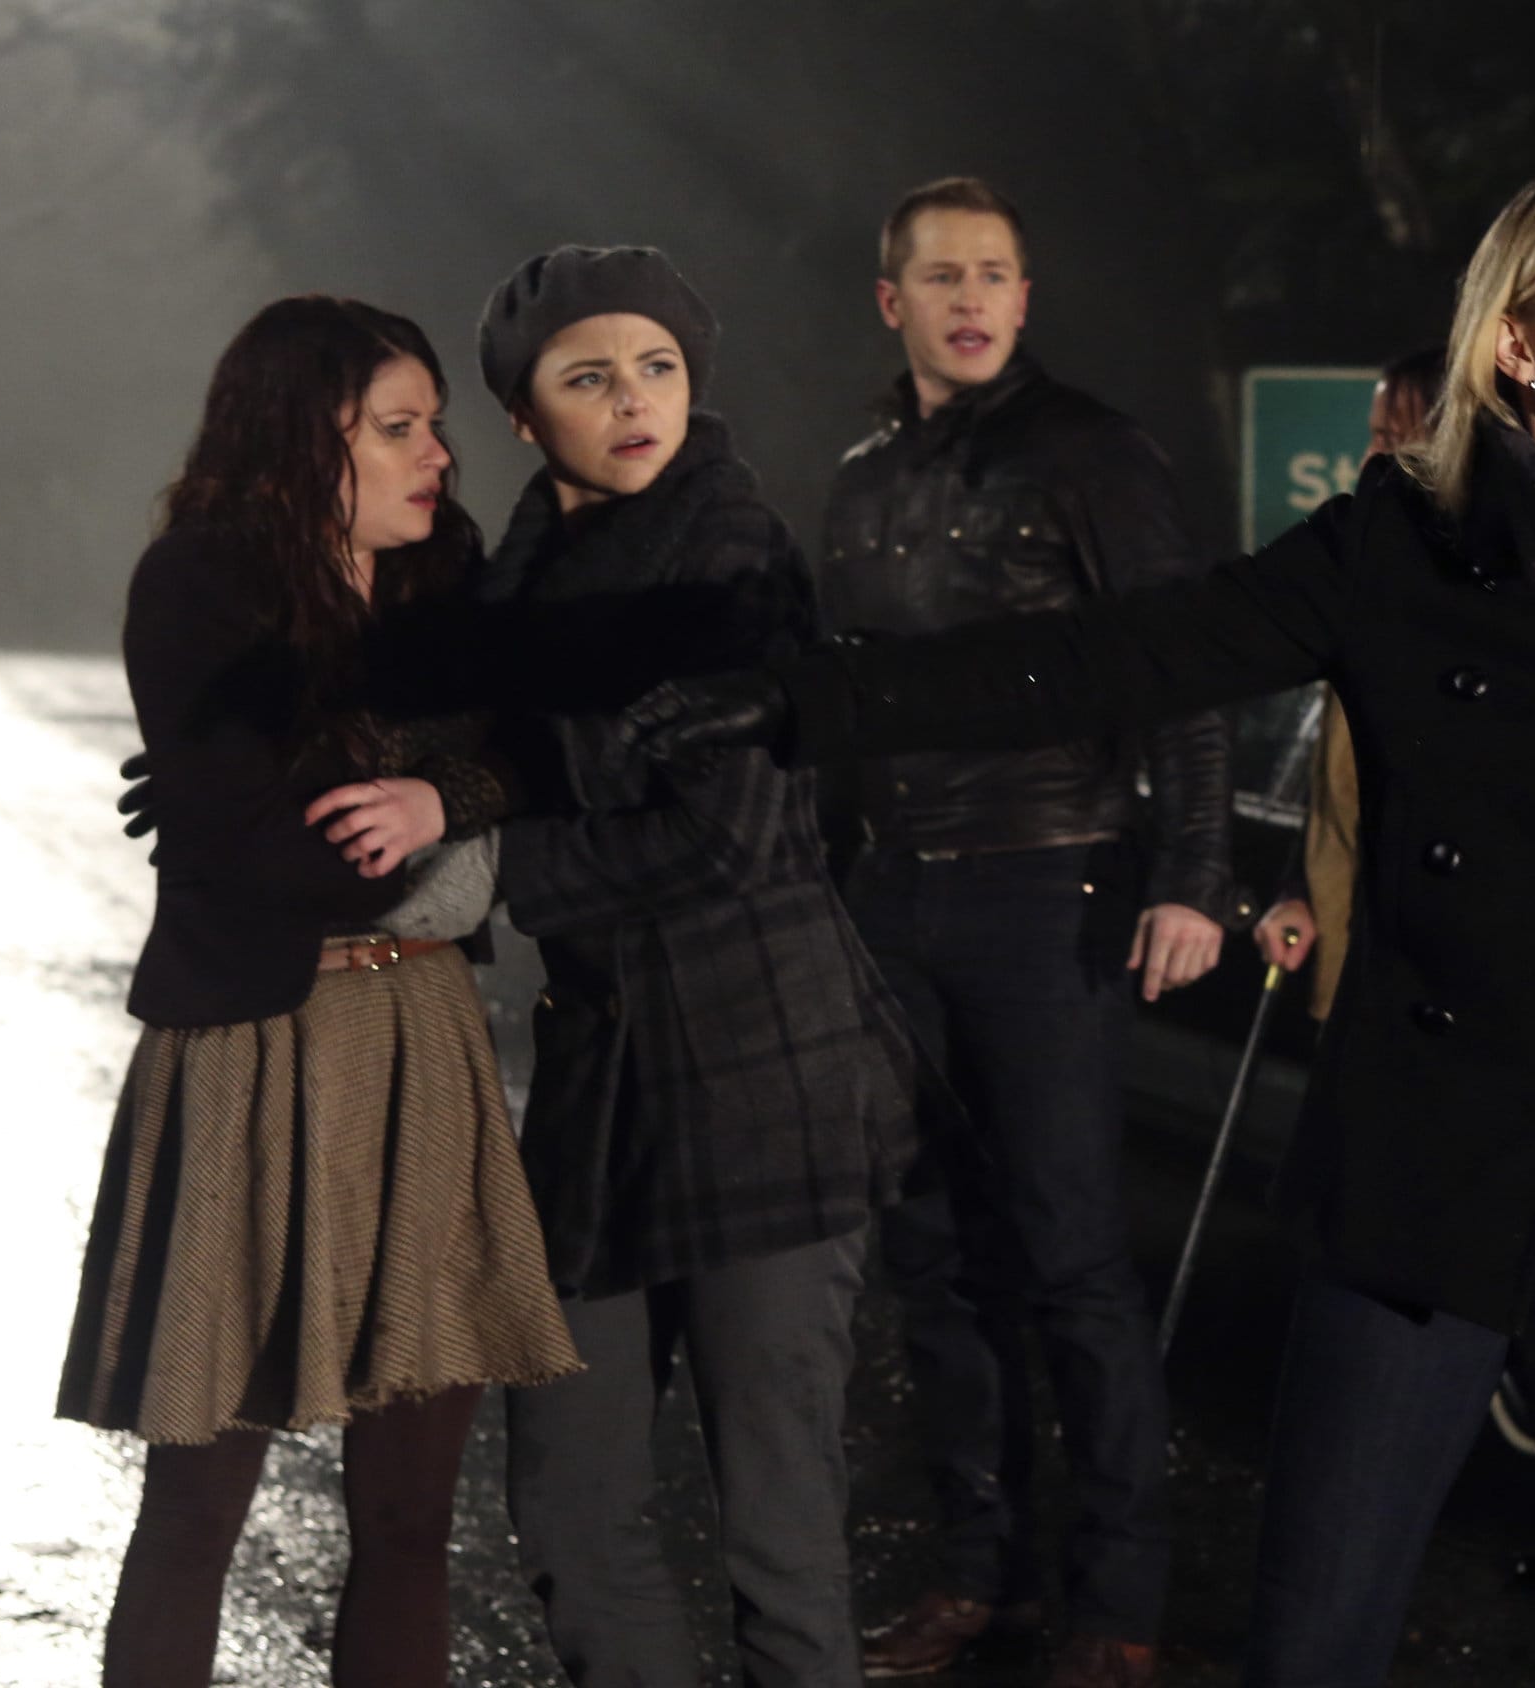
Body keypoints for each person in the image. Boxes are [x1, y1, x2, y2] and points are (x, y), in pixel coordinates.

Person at [622, 158, 1535, 1688]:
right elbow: (1118, 655)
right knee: (1314, 1639)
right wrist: (808, 699)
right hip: (1422, 1172)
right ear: (1517, 343)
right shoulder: (1396, 543)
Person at [59, 295, 580, 1688]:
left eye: (436, 425)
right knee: (196, 1510)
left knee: (411, 1519)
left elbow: (552, 745)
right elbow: (271, 850)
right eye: (398, 428)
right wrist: (419, 804)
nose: (438, 457)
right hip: (250, 1044)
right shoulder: (198, 583)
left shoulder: (445, 573)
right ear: (304, 441)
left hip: (420, 1040)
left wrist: (430, 792)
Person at [472, 244, 929, 1688]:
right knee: (568, 1503)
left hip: (760, 1075)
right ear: (525, 414)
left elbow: (722, 839)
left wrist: (481, 867)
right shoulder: (518, 576)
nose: (633, 400)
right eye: (589, 376)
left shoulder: (728, 551)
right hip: (601, 1087)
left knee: (778, 1537)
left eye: (658, 367)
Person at [819, 178, 1235, 1688]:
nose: (972, 299)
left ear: (1024, 295)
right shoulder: (862, 477)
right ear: (894, 301)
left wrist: (1195, 872)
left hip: (1049, 883)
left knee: (1068, 1253)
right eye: (943, 276)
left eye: (995, 273)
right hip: (897, 898)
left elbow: (1181, 668)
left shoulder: (1091, 454)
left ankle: (1115, 1606)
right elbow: (845, 702)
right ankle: (979, 1579)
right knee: (934, 1255)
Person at [1251, 345, 1444, 1021]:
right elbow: (1340, 778)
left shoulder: (1476, 621)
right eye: (1373, 439)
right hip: (1350, 981)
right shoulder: (1371, 588)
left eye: (1392, 441)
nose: (1369, 462)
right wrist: (1299, 888)